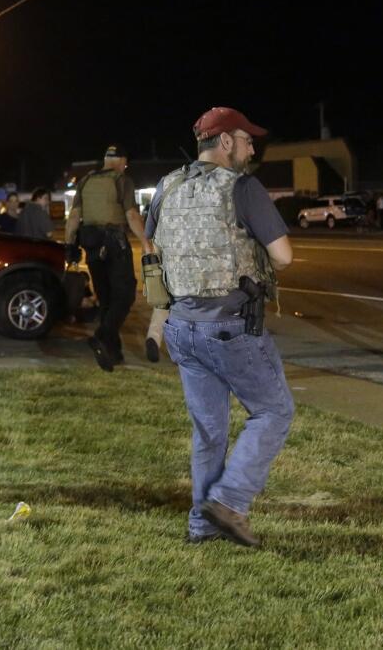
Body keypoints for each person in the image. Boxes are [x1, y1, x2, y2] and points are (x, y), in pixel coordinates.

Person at [146, 106, 293, 548]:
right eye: (248, 141)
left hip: (182, 329)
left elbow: (152, 244)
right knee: (273, 411)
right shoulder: (242, 188)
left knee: (209, 430)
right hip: (230, 327)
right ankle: (229, 501)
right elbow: (284, 256)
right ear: (226, 141)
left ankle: (202, 525)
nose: (252, 149)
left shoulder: (167, 186)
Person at [64, 144, 148, 371]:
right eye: (125, 162)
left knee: (106, 300)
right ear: (121, 161)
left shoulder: (85, 181)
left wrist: (69, 244)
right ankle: (102, 336)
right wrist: (147, 244)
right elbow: (131, 215)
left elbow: (73, 218)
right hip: (114, 244)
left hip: (91, 245)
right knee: (126, 294)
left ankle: (114, 352)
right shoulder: (122, 180)